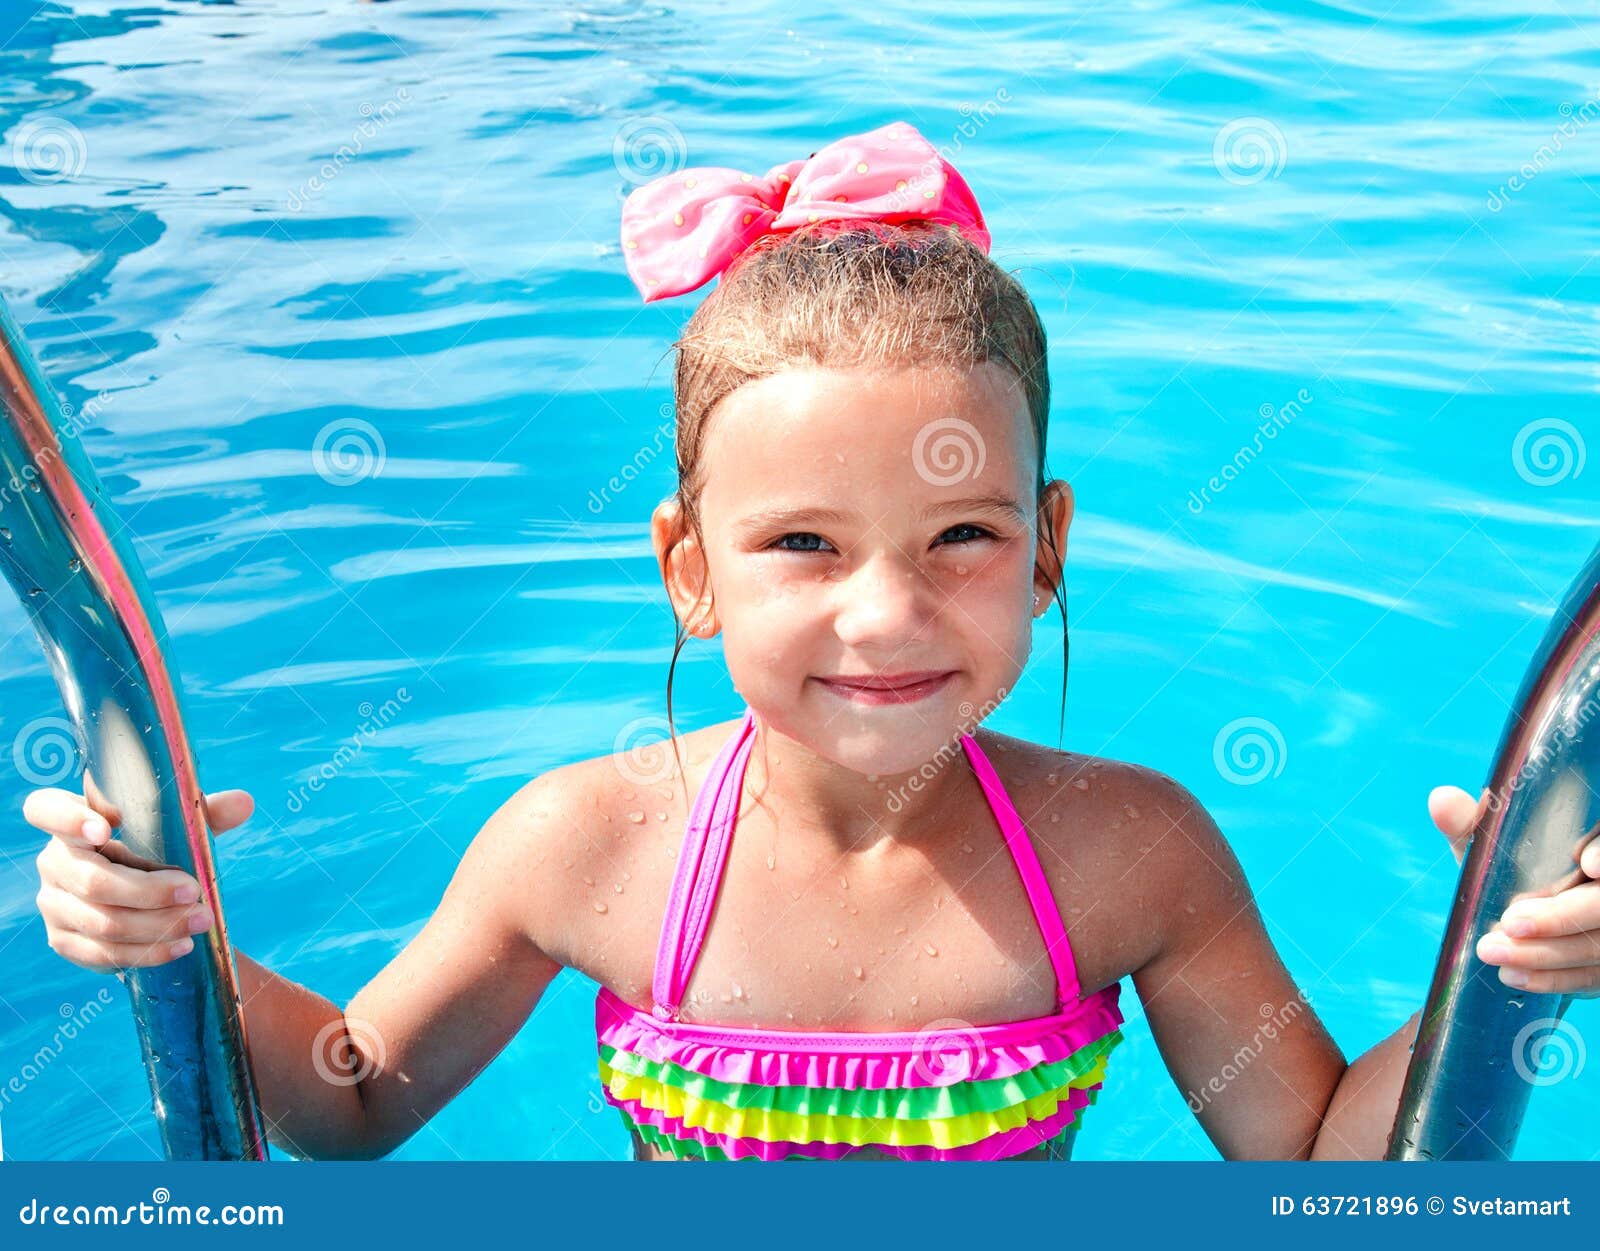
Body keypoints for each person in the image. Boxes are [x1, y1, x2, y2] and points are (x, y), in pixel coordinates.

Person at [25, 121, 1600, 1161]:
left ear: (1048, 548)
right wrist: (184, 947)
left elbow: (1328, 1165)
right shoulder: (586, 847)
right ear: (688, 569)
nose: (887, 615)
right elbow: (352, 1103)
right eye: (800, 546)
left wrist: (1503, 957)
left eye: (961, 539)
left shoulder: (1133, 856)